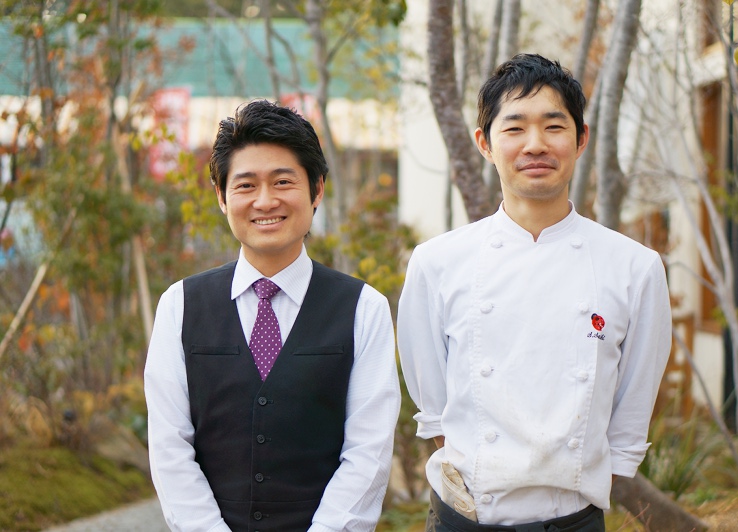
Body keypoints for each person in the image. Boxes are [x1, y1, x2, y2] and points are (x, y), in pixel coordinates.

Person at [397, 54, 672, 531]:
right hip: (464, 518)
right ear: (485, 144)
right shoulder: (436, 262)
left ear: (581, 139)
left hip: (574, 521)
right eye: (515, 128)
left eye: (554, 126)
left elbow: (632, 408)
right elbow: (435, 409)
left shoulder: (634, 267)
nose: (535, 144)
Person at [144, 99, 401, 532]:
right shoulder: (180, 305)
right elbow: (170, 447)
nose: (265, 201)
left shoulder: (363, 308)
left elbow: (368, 453)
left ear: (317, 190)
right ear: (222, 197)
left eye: (283, 181)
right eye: (246, 185)